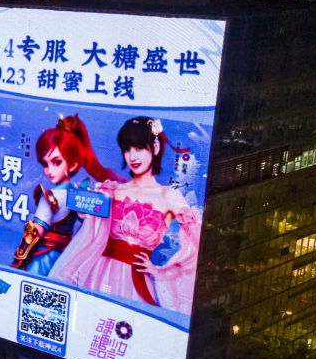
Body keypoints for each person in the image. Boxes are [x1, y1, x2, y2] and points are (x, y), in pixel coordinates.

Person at [50, 117, 202, 312]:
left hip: (136, 281)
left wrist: (162, 271)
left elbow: (198, 244)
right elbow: (90, 226)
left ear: (155, 147)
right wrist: (83, 210)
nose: (132, 156)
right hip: (97, 273)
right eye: (127, 149)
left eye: (139, 148)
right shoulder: (112, 189)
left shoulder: (169, 196)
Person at [12, 115, 115, 275]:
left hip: (44, 258)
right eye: (45, 164)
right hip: (66, 258)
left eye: (57, 162)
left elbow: (34, 232)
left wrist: (18, 260)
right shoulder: (79, 192)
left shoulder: (50, 197)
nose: (49, 171)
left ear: (73, 164)